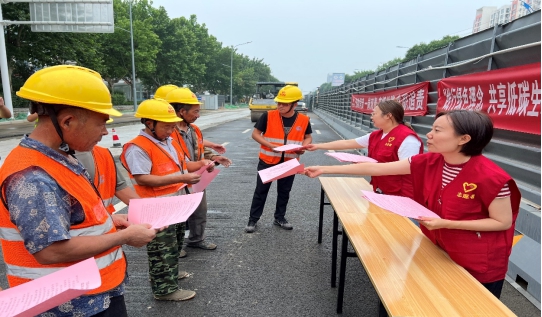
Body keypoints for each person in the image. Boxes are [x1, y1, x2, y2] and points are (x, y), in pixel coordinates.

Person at [305, 110, 521, 299]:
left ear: (463, 138)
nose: (429, 134)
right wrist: (325, 169)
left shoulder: (492, 178)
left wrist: (445, 223)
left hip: (477, 262)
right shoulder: (430, 161)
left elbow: (501, 222)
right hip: (439, 249)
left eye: (437, 130)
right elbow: (378, 169)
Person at [0, 65, 158, 316]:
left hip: (93, 294)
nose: (105, 132)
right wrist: (125, 237)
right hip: (68, 305)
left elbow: (73, 220)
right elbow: (50, 251)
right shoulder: (33, 177)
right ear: (67, 121)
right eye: (101, 123)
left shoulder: (60, 158)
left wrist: (111, 221)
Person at [120, 98, 213, 302]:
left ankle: (171, 272)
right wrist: (182, 178)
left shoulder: (168, 141)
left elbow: (182, 165)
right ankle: (164, 289)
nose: (171, 130)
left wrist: (201, 164)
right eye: (166, 126)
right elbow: (142, 178)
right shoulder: (138, 147)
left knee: (174, 244)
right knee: (162, 250)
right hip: (157, 208)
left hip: (176, 204)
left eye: (172, 125)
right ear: (149, 123)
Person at [305, 100, 423, 198]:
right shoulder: (377, 135)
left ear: (388, 116)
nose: (371, 117)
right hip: (382, 191)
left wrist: (324, 169)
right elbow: (349, 143)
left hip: (403, 197)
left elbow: (406, 169)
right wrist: (318, 146)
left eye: (374, 114)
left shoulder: (408, 140)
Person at [165, 87, 232, 251]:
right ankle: (176, 247)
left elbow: (201, 150)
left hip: (197, 178)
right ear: (182, 111)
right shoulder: (167, 132)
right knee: (177, 215)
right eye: (195, 111)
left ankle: (196, 239)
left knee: (199, 211)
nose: (198, 115)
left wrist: (214, 158)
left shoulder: (194, 130)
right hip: (177, 180)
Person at [245, 85, 312, 233]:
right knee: (260, 191)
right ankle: (253, 220)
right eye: (278, 102)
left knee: (284, 192)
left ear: (295, 104)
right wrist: (270, 145)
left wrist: (304, 147)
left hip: (289, 162)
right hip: (268, 161)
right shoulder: (268, 116)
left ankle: (279, 217)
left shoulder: (304, 120)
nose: (280, 106)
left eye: (284, 103)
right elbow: (255, 134)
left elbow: (308, 137)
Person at [74, 145, 139, 214]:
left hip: (107, 222)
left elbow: (121, 188)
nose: (106, 133)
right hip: (91, 223)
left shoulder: (103, 153)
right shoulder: (62, 162)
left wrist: (147, 210)